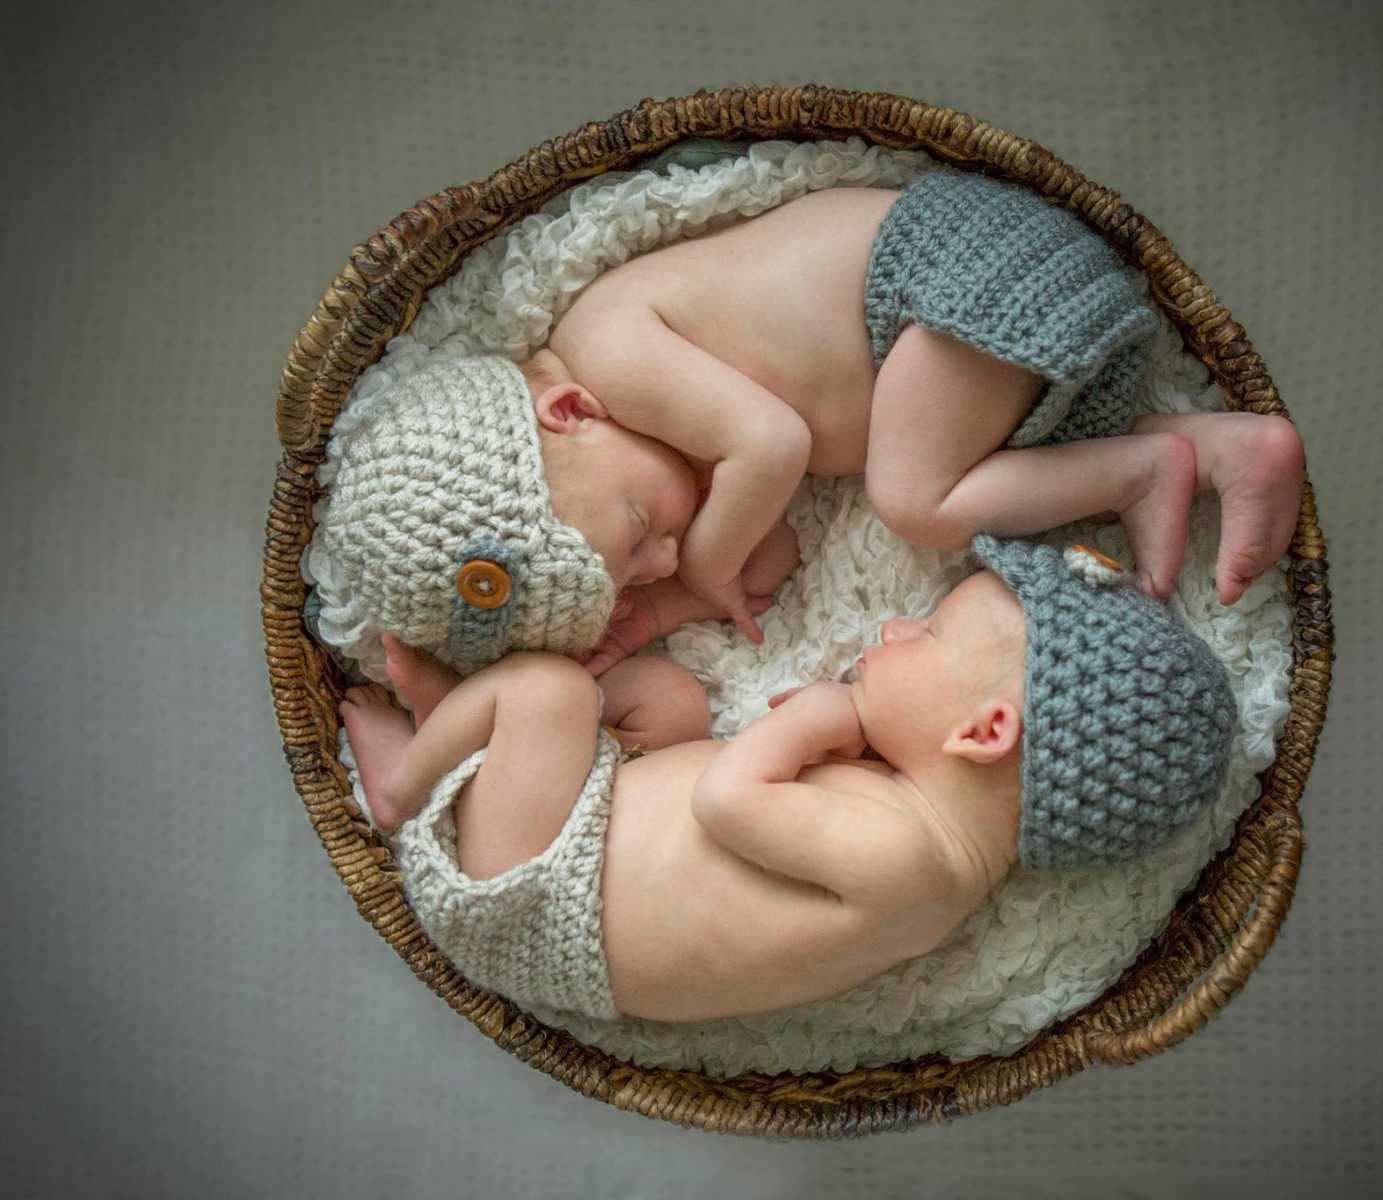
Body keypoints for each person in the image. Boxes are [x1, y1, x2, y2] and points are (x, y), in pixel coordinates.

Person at [317, 169, 1305, 681]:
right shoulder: (646, 447)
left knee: (913, 503)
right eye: (640, 568)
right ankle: (1222, 451)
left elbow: (775, 449)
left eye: (635, 536)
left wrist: (700, 559)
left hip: (952, 278)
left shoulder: (607, 348)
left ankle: (1139, 473)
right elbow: (776, 542)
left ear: (566, 414)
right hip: (971, 350)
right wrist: (670, 606)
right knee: (944, 481)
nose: (662, 555)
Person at [338, 539, 1237, 1024]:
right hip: (588, 827)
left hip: (532, 901)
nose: (889, 632)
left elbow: (727, 803)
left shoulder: (910, 858)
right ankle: (473, 734)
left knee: (551, 692)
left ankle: (410, 781)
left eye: (923, 636)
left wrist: (817, 720)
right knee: (669, 699)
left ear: (985, 732)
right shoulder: (918, 840)